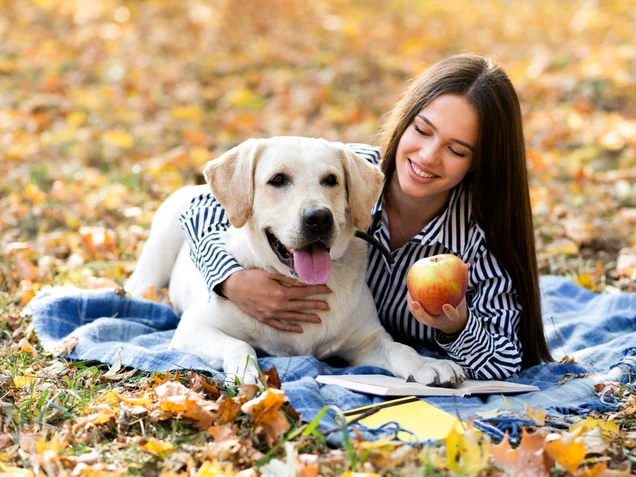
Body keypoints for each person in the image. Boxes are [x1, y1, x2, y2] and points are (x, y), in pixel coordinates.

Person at [179, 54, 553, 380]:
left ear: (478, 163)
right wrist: (229, 281)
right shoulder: (358, 164)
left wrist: (456, 328)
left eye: (456, 150)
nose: (427, 157)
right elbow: (196, 207)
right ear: (405, 121)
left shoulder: (476, 236)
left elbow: (507, 359)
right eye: (422, 130)